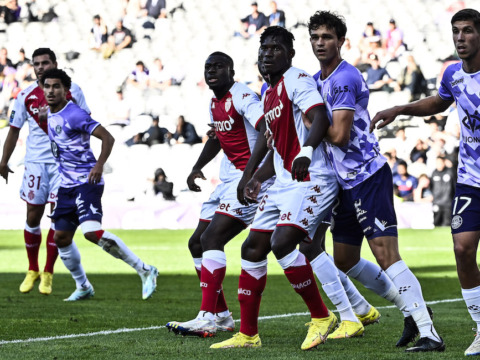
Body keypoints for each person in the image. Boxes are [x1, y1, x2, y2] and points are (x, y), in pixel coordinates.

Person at [309, 11, 443, 352]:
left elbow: (338, 136)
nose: (320, 43)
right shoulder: (316, 80)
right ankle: (412, 311)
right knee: (345, 259)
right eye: (315, 37)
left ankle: (430, 333)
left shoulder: (344, 77)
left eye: (327, 37)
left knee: (385, 253)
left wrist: (309, 125)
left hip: (367, 174)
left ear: (341, 40)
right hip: (344, 182)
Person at [211, 26, 339, 351]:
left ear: (290, 54)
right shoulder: (268, 94)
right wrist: (250, 176)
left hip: (310, 179)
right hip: (283, 182)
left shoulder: (296, 79)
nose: (268, 53)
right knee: (252, 248)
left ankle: (322, 317)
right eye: (264, 48)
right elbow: (273, 144)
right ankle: (248, 334)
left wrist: (306, 152)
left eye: (276, 48)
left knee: (282, 243)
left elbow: (320, 117)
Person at [373, 8, 480, 356]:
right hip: (469, 178)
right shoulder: (452, 74)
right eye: (456, 32)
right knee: (463, 249)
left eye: (467, 31)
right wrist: (399, 109)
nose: (460, 38)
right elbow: (438, 101)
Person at [165, 52, 270, 337]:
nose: (212, 71)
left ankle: (207, 316)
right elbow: (218, 138)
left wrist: (250, 175)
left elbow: (266, 130)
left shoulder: (243, 96)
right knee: (196, 243)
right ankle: (222, 315)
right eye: (208, 67)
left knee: (212, 238)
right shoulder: (215, 102)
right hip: (228, 178)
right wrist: (197, 167)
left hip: (250, 178)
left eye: (218, 66)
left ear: (231, 71)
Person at [40, 68, 158, 301]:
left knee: (91, 232)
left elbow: (108, 137)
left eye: (56, 87)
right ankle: (83, 286)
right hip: (66, 186)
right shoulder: (50, 113)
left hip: (87, 181)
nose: (51, 91)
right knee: (61, 238)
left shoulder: (74, 114)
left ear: (66, 91)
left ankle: (145, 270)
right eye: (47, 86)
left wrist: (99, 165)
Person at [0, 48, 90, 296]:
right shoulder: (25, 95)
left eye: (45, 62)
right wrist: (3, 161)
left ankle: (48, 272)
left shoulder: (74, 91)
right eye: (36, 63)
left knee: (57, 217)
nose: (41, 67)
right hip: (36, 164)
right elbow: (14, 129)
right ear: (33, 67)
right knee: (32, 215)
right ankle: (32, 269)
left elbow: (86, 124)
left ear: (55, 63)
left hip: (64, 165)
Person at [431, 156, 455, 226]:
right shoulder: (434, 173)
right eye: (437, 163)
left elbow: (454, 185)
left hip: (448, 202)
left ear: (444, 162)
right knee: (436, 223)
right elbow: (431, 186)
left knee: (447, 224)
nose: (439, 164)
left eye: (440, 162)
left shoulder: (450, 172)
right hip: (436, 202)